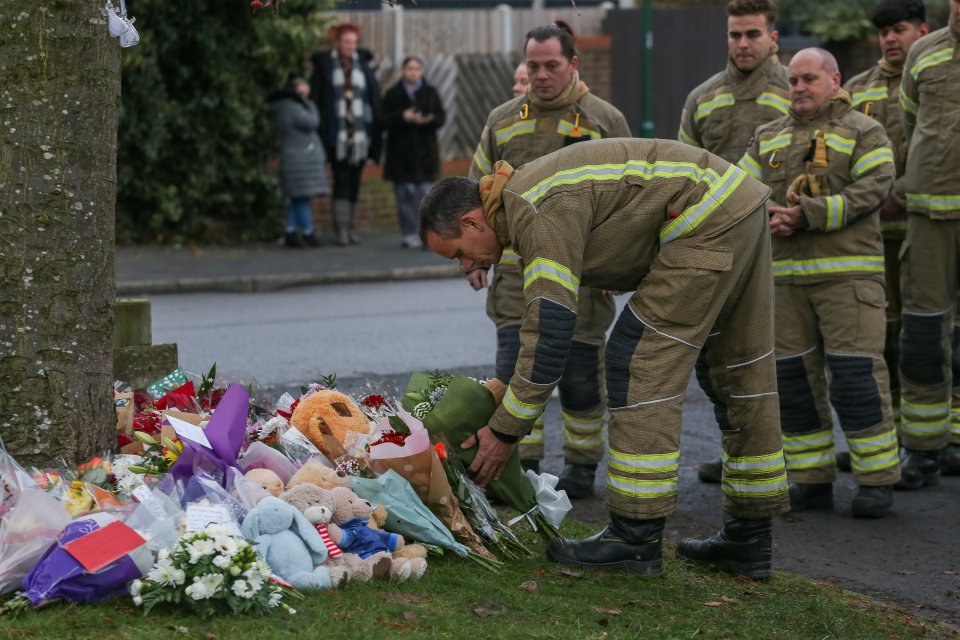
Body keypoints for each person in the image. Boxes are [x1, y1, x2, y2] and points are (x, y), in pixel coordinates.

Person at [421, 138, 789, 578]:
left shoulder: (531, 208)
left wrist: (504, 431)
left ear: (471, 219)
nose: (466, 265)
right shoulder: (529, 195)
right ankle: (748, 540)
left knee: (638, 360)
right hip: (738, 204)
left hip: (706, 218)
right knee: (738, 370)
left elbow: (550, 331)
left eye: (460, 251)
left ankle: (633, 540)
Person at [465, 22, 632, 498]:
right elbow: (475, 196)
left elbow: (631, 199)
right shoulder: (501, 120)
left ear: (573, 64)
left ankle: (581, 466)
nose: (540, 75)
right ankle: (522, 465)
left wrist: (624, 261)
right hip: (516, 280)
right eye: (533, 65)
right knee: (512, 377)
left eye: (551, 66)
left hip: (583, 278)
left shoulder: (603, 120)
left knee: (580, 379)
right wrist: (473, 258)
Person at [738, 48, 900, 518]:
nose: (799, 87)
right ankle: (810, 478)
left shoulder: (865, 131)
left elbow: (875, 188)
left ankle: (876, 480)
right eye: (792, 80)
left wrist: (805, 215)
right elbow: (740, 191)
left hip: (847, 279)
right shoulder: (767, 136)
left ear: (834, 80)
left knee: (856, 378)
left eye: (809, 78)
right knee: (793, 383)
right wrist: (767, 212)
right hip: (784, 284)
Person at [678, 0, 790, 484]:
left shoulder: (796, 90)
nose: (743, 44)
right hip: (717, 250)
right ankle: (737, 457)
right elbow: (681, 173)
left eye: (752, 34)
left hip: (783, 246)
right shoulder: (702, 98)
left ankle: (785, 462)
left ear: (773, 37)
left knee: (777, 360)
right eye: (735, 35)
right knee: (721, 361)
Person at [838, 0, 929, 473]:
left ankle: (933, 442)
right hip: (873, 240)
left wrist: (900, 195)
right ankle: (888, 440)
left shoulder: (934, 80)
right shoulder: (857, 90)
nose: (891, 39)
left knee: (928, 335)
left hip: (924, 227)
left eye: (900, 29)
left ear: (922, 30)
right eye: (884, 33)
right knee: (883, 339)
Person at [896, 0, 960, 484]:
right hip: (929, 215)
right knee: (922, 334)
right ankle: (923, 449)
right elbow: (911, 124)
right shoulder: (923, 53)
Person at [311, 23, 381, 247]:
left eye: (353, 42)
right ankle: (341, 230)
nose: (350, 46)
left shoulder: (364, 68)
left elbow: (373, 101)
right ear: (337, 44)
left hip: (360, 138)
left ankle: (350, 229)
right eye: (346, 42)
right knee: (340, 180)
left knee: (354, 183)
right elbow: (318, 100)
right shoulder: (325, 68)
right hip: (336, 136)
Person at [381, 56, 447, 250]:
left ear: (421, 71)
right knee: (404, 196)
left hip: (425, 153)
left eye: (417, 68)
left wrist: (429, 119)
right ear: (403, 71)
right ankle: (408, 234)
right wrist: (402, 117)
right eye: (409, 68)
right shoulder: (393, 94)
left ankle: (427, 234)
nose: (413, 72)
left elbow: (441, 117)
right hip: (400, 155)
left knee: (426, 196)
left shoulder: (430, 92)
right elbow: (382, 119)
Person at [268, 75, 329, 249]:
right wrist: (310, 104)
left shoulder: (283, 108)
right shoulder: (294, 108)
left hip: (296, 159)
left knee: (297, 199)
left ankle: (290, 231)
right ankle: (308, 232)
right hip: (300, 161)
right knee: (302, 198)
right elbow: (312, 122)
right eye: (301, 88)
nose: (305, 91)